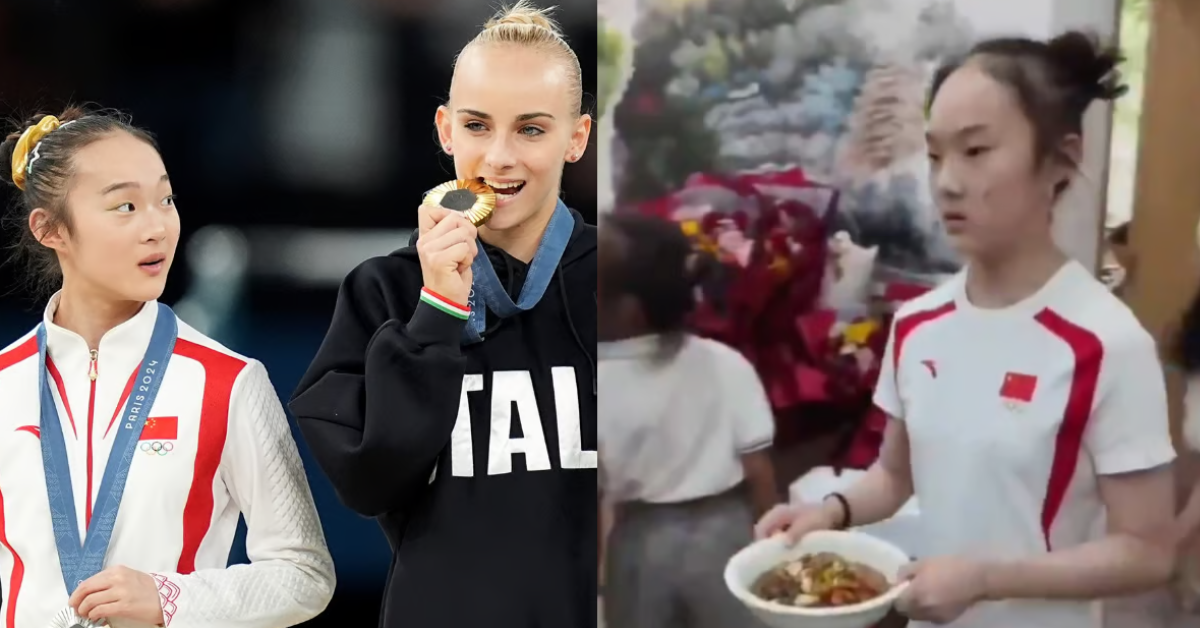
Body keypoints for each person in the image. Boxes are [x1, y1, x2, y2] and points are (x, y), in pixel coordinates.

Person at [755, 31, 1178, 628]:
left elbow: (1147, 551)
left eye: (975, 151)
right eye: (935, 155)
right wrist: (830, 512)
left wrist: (986, 578)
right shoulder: (918, 325)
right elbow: (896, 476)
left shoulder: (1107, 343)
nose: (947, 182)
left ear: (1061, 160)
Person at [288, 3, 596, 627]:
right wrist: (436, 311)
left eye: (532, 130)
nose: (500, 157)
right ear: (444, 128)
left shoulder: (634, 286)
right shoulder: (383, 293)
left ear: (577, 138)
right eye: (478, 126)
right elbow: (370, 481)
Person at [0, 107, 334, 627]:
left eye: (166, 199)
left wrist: (170, 598)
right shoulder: (5, 384)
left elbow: (304, 573)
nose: (156, 226)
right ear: (50, 230)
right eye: (125, 206)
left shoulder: (229, 382)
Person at [597, 212, 776, 628]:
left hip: (640, 544)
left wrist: (595, 573)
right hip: (728, 536)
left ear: (630, 312)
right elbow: (759, 469)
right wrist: (773, 546)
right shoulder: (726, 363)